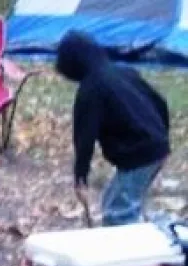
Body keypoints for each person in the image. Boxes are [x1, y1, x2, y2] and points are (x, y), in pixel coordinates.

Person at [55, 30, 170, 226]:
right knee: (114, 200)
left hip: (140, 155)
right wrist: (161, 136)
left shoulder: (91, 90)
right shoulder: (124, 72)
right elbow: (160, 103)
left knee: (118, 214)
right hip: (155, 146)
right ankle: (140, 233)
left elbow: (85, 138)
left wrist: (80, 176)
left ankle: (133, 251)